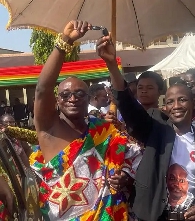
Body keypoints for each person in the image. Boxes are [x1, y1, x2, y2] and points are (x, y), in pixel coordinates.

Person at [97, 34, 195, 221]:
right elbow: (130, 108)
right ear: (165, 106)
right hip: (153, 216)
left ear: (193, 103)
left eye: (182, 100)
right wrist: (112, 64)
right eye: (170, 101)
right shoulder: (156, 130)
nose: (176, 106)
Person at [31, 20, 140, 221]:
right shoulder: (49, 129)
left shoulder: (104, 131)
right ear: (57, 100)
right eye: (65, 95)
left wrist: (123, 175)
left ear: (88, 99)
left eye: (79, 93)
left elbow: (131, 159)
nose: (72, 98)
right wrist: (64, 42)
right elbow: (42, 90)